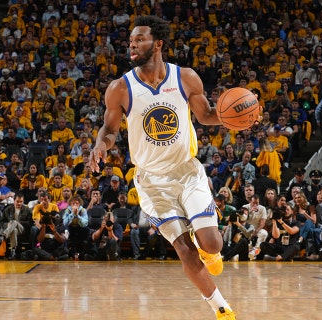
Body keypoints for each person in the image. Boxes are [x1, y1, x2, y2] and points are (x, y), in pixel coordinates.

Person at [89, 16, 237, 319]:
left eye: (140, 39)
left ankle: (205, 240)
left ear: (158, 44)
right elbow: (109, 130)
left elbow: (207, 115)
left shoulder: (185, 78)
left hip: (187, 171)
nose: (132, 44)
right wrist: (99, 145)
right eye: (131, 40)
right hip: (151, 182)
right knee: (184, 248)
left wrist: (234, 117)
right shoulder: (120, 88)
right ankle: (221, 308)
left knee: (213, 243)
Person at [0, 192, 33, 260]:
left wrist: (18, 222)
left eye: (21, 202)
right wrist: (7, 224)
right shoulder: (8, 209)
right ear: (14, 201)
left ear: (23, 201)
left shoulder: (27, 210)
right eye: (17, 201)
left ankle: (3, 236)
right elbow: (2, 222)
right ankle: (13, 251)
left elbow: (30, 224)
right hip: (11, 230)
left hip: (22, 230)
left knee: (14, 222)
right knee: (14, 230)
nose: (19, 203)